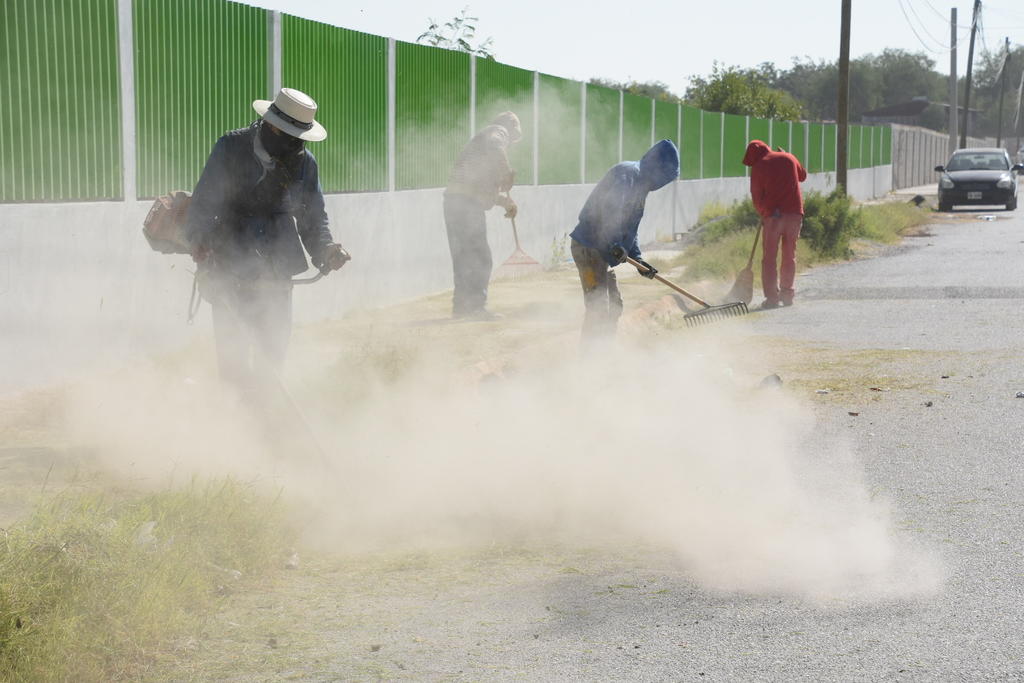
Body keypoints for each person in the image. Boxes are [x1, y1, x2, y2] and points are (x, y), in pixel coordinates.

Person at [186, 87, 350, 391]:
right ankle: (234, 416)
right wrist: (200, 240)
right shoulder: (231, 147)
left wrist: (325, 249)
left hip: (278, 266)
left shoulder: (304, 163)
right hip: (228, 260)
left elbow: (313, 217)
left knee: (272, 349)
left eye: (300, 138)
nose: (295, 144)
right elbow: (205, 201)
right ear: (271, 124)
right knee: (233, 352)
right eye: (289, 135)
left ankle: (266, 413)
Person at [569, 139, 679, 342]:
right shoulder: (627, 175)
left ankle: (604, 352)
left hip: (602, 252)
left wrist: (638, 260)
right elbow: (608, 212)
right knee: (598, 307)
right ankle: (589, 359)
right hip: (589, 248)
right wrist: (613, 244)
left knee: (615, 306)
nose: (663, 182)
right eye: (665, 175)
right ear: (657, 167)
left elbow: (629, 228)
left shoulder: (641, 186)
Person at [443, 111, 522, 320]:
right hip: (465, 204)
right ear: (511, 127)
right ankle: (476, 308)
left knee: (463, 257)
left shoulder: (479, 148)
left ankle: (461, 308)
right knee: (480, 257)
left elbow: (477, 189)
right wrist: (506, 172)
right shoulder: (497, 132)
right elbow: (496, 146)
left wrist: (505, 201)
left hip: (454, 201)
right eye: (513, 138)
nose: (511, 143)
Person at [742, 139, 807, 309]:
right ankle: (787, 296)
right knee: (789, 255)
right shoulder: (789, 157)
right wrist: (787, 154)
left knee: (769, 259)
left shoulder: (759, 165)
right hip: (794, 214)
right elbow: (802, 176)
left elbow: (756, 196)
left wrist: (763, 213)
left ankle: (771, 299)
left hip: (773, 217)